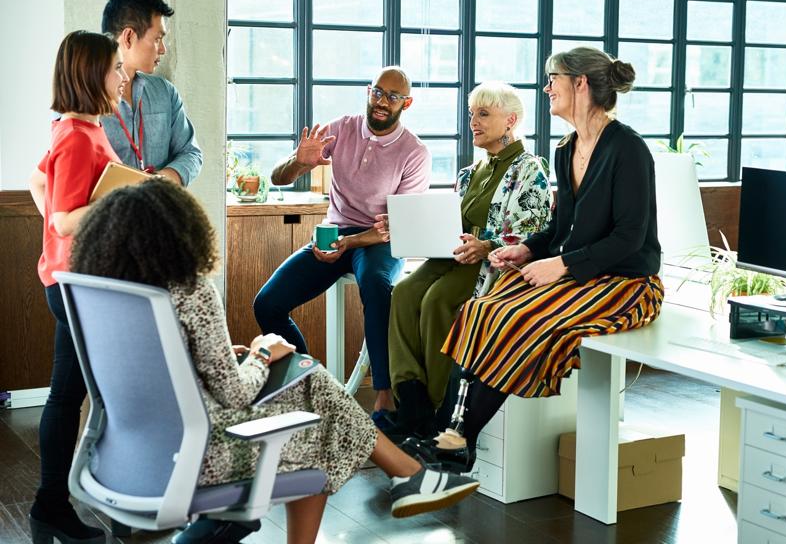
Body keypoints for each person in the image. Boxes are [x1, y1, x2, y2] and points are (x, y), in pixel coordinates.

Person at [68, 180, 479, 544]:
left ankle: (409, 475)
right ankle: (410, 475)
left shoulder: (108, 295)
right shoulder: (191, 291)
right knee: (317, 423)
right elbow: (233, 392)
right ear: (179, 232)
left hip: (125, 455)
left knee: (308, 378)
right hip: (203, 455)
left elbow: (157, 365)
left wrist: (223, 356)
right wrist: (263, 353)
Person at [409, 47, 664, 472]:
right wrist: (528, 249)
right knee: (480, 309)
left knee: (516, 317)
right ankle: (448, 435)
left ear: (580, 83)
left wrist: (560, 265)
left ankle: (456, 440)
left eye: (553, 79)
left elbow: (628, 238)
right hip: (580, 274)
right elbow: (562, 228)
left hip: (626, 283)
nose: (547, 88)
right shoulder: (566, 150)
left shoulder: (628, 149)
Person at [376, 82, 552, 441]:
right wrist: (409, 227)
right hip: (452, 255)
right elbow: (449, 223)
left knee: (436, 300)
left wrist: (487, 246)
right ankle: (411, 402)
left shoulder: (529, 168)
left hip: (489, 263)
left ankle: (439, 411)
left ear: (510, 121)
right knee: (404, 292)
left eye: (484, 114)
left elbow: (536, 230)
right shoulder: (471, 172)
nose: (473, 121)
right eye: (472, 114)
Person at [254, 66, 430, 424]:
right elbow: (278, 177)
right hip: (334, 233)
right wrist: (299, 162)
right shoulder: (341, 128)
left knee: (378, 288)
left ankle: (384, 397)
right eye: (378, 92)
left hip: (376, 241)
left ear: (406, 103)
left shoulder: (414, 152)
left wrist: (349, 244)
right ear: (369, 92)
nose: (382, 102)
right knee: (267, 304)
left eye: (393, 97)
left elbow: (395, 228)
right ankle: (308, 385)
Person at [27, 30, 129, 544]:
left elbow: (38, 183)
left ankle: (61, 505)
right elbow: (67, 220)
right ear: (92, 74)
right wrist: (128, 196)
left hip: (73, 280)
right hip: (76, 285)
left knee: (72, 396)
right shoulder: (75, 134)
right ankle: (61, 505)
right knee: (75, 397)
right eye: (115, 67)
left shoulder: (74, 128)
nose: (122, 75)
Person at [99, 0, 202, 184]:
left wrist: (159, 182)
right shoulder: (83, 100)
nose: (162, 50)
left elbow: (191, 153)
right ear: (129, 37)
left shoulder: (165, 92)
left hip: (159, 211)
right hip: (109, 214)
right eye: (157, 39)